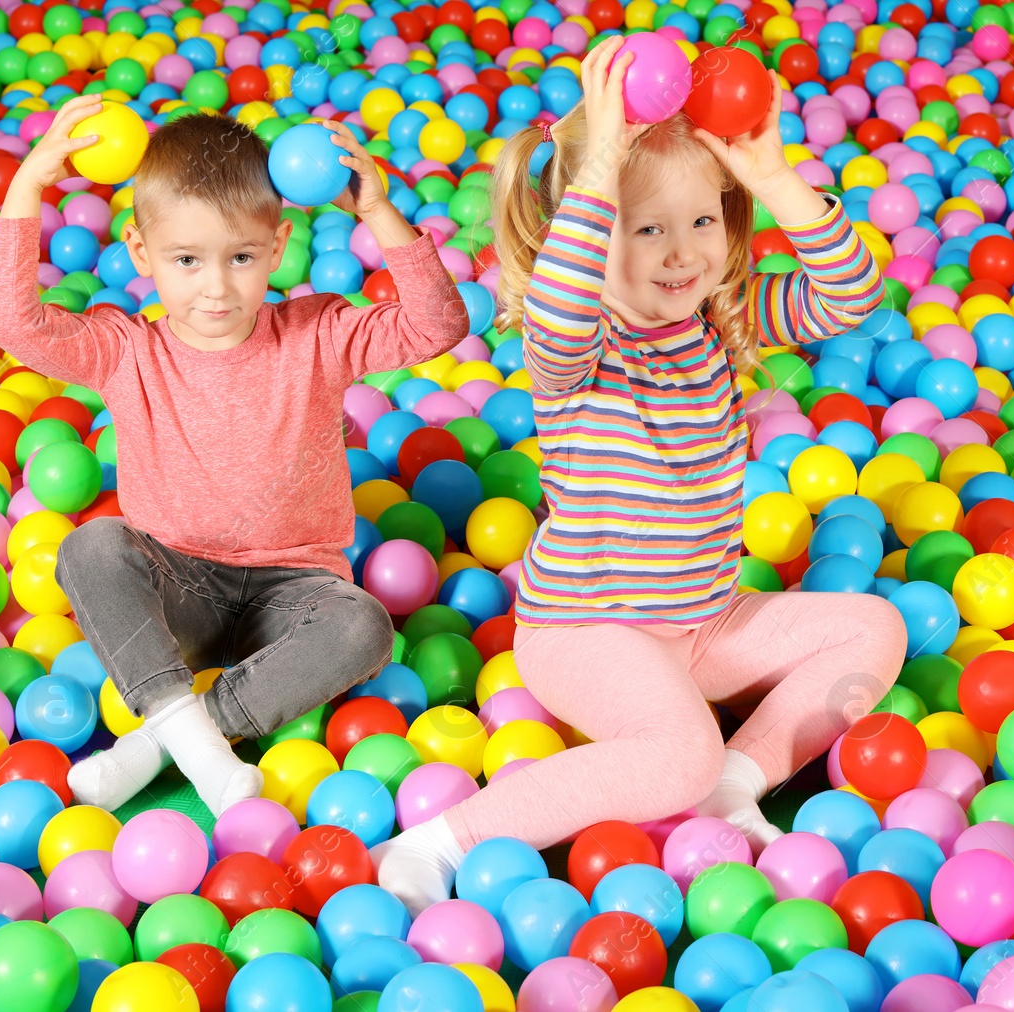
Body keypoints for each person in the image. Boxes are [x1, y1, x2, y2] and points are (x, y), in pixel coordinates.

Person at [374, 39, 907, 914]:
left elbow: (851, 297)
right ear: (584, 234)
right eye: (646, 227)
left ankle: (736, 783)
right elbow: (556, 305)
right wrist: (604, 166)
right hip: (589, 631)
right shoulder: (575, 351)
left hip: (704, 620)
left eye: (701, 222)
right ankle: (437, 841)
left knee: (872, 627)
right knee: (674, 753)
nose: (681, 253)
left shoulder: (717, 321)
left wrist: (772, 179)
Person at [0, 95, 469, 816]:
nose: (215, 287)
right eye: (187, 260)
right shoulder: (125, 350)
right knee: (90, 547)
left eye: (241, 258)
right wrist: (27, 186)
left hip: (294, 591)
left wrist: (379, 214)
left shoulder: (317, 333)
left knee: (363, 626)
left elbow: (439, 324)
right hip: (178, 593)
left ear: (276, 247)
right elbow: (10, 320)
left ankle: (167, 739)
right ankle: (193, 734)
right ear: (142, 254)